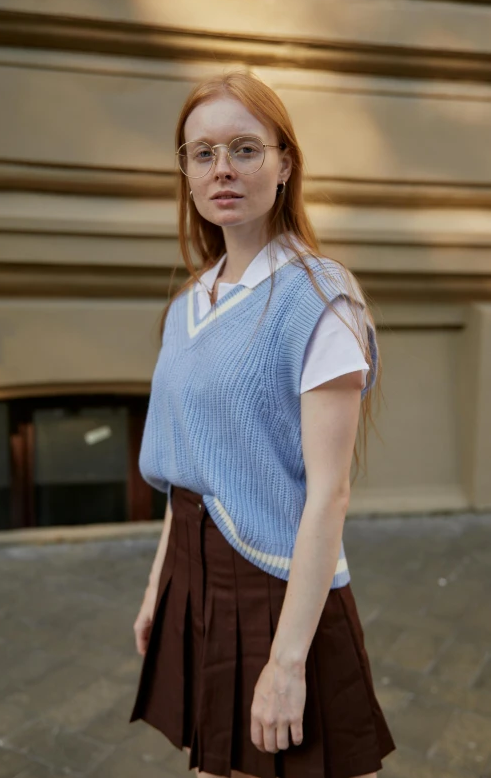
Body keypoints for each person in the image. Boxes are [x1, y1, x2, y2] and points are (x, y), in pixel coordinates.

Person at [129, 70, 396, 778]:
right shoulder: (190, 301)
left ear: (284, 164)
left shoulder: (319, 298)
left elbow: (329, 495)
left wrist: (287, 660)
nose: (223, 169)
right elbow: (189, 463)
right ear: (184, 169)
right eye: (203, 152)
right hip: (194, 567)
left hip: (276, 579)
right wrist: (161, 581)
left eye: (245, 149)